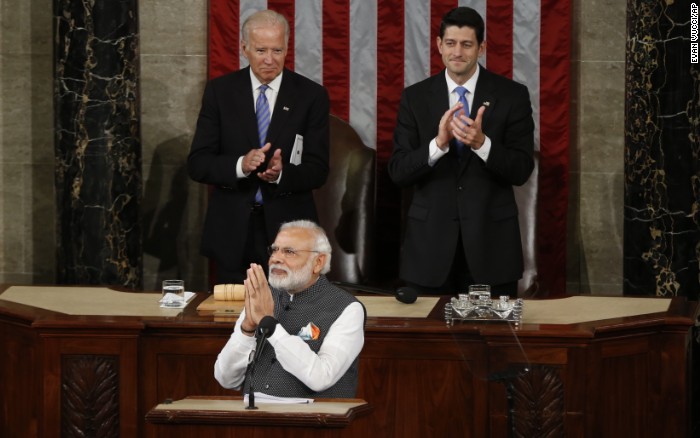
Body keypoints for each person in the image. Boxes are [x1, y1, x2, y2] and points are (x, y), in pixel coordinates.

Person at [388, 7, 535, 296]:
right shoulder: (415, 97)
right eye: (451, 43)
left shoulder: (512, 95)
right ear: (439, 45)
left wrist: (483, 144)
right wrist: (438, 145)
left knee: (492, 342)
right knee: (428, 341)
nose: (458, 52)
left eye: (467, 44)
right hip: (429, 253)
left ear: (481, 48)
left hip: (491, 251)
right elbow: (398, 171)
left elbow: (521, 169)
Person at [188, 10, 330, 284]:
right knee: (233, 320)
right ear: (244, 48)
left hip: (290, 233)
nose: (269, 59)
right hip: (233, 230)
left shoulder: (310, 95)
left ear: (287, 48)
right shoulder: (220, 92)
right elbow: (198, 163)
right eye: (261, 50)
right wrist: (240, 165)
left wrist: (281, 174)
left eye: (277, 50)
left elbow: (318, 169)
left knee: (291, 319)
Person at [214, 220, 365, 398]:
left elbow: (321, 378)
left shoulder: (347, 308)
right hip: (253, 417)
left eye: (289, 252)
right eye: (275, 250)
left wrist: (271, 326)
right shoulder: (262, 298)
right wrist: (247, 328)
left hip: (313, 420)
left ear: (318, 262)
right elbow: (226, 379)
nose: (276, 258)